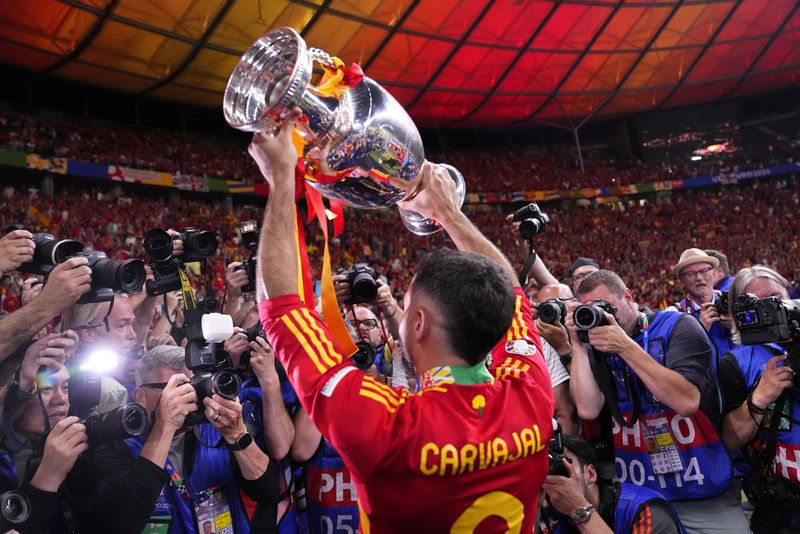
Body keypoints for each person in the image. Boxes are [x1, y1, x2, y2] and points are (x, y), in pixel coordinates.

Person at [251, 110, 554, 532]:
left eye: (407, 304)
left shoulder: (388, 428)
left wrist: (282, 180)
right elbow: (512, 293)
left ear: (419, 325)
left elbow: (283, 310)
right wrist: (449, 213)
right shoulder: (531, 394)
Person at [567, 269, 748, 533]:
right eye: (588, 310)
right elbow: (587, 407)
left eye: (605, 307)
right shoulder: (596, 344)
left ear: (628, 296)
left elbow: (686, 401)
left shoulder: (679, 325)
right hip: (642, 491)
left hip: (701, 483)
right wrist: (578, 343)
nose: (600, 316)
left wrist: (625, 347)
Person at [89, 345, 281, 533]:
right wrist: (165, 426)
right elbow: (122, 522)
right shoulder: (116, 447)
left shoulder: (216, 433)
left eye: (191, 386)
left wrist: (237, 434)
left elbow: (268, 493)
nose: (186, 396)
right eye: (173, 389)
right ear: (140, 396)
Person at [718, 265, 800, 534]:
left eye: (776, 297)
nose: (772, 308)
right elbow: (730, 440)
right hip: (780, 508)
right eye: (759, 303)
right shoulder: (737, 362)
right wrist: (758, 399)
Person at [542, 434, 686, 534]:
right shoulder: (557, 525)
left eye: (564, 466)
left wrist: (579, 509)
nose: (558, 479)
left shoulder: (643, 509)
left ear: (590, 474)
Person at [671, 248, 734, 358]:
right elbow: (674, 359)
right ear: (681, 280)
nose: (699, 278)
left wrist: (737, 325)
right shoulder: (674, 315)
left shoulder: (733, 301)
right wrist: (699, 331)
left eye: (704, 271)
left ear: (714, 273)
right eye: (690, 274)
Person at [534, 283, 578, 434]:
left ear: (573, 302)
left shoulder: (589, 330)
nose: (552, 310)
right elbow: (562, 412)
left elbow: (566, 413)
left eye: (556, 303)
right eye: (544, 306)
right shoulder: (539, 340)